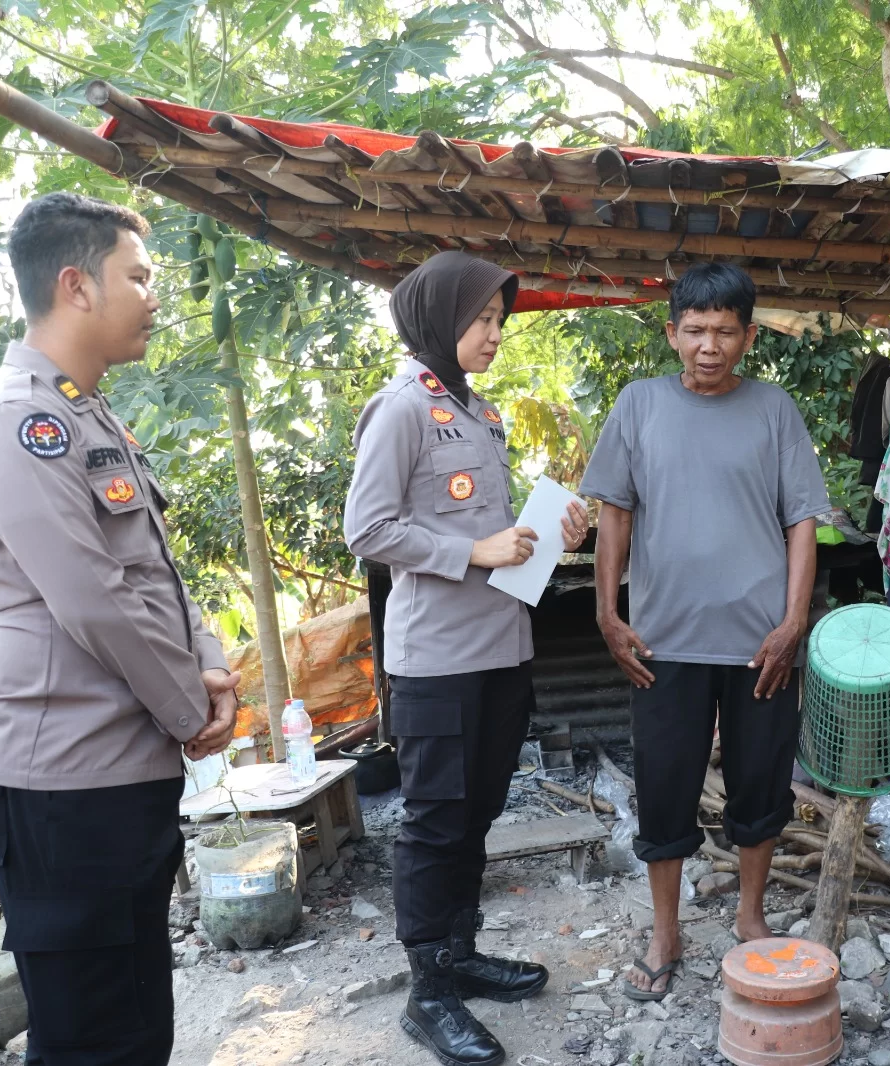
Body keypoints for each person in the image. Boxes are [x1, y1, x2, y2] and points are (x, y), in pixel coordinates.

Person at [0, 192, 240, 1066]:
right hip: (60, 785)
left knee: (138, 1021)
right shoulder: (16, 423)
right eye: (138, 277)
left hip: (115, 768)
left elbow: (157, 571)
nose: (154, 295)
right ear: (75, 284)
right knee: (91, 1040)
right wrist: (192, 710)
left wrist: (210, 668)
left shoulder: (87, 413)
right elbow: (93, 599)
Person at [343, 250, 588, 1066]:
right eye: (481, 319)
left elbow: (492, 535)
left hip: (498, 648)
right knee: (435, 824)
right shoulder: (403, 408)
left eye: (498, 321)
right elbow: (369, 530)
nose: (493, 334)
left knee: (477, 815)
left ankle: (461, 953)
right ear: (437, 319)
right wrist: (474, 549)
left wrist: (548, 533)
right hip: (437, 659)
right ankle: (428, 991)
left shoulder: (476, 412)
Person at [580, 262, 829, 1000]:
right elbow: (614, 514)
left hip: (761, 645)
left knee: (760, 784)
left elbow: (801, 521)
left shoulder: (774, 409)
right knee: (664, 788)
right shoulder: (638, 405)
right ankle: (666, 929)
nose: (709, 345)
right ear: (672, 333)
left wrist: (793, 621)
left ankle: (751, 916)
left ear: (749, 337)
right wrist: (606, 611)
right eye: (695, 330)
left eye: (725, 331)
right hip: (663, 644)